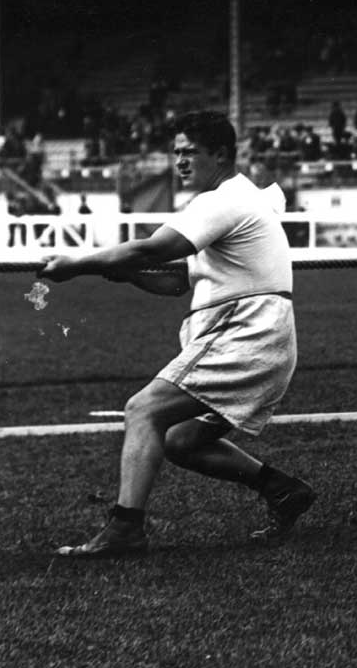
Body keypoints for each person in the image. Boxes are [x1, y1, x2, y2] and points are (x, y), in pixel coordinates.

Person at [38, 111, 311, 558]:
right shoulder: (228, 201)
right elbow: (176, 280)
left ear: (220, 154)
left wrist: (78, 264)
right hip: (258, 334)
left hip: (246, 331)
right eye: (176, 153)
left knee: (143, 410)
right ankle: (283, 489)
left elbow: (152, 248)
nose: (180, 161)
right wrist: (126, 276)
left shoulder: (223, 200)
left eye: (190, 152)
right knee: (180, 440)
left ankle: (125, 530)